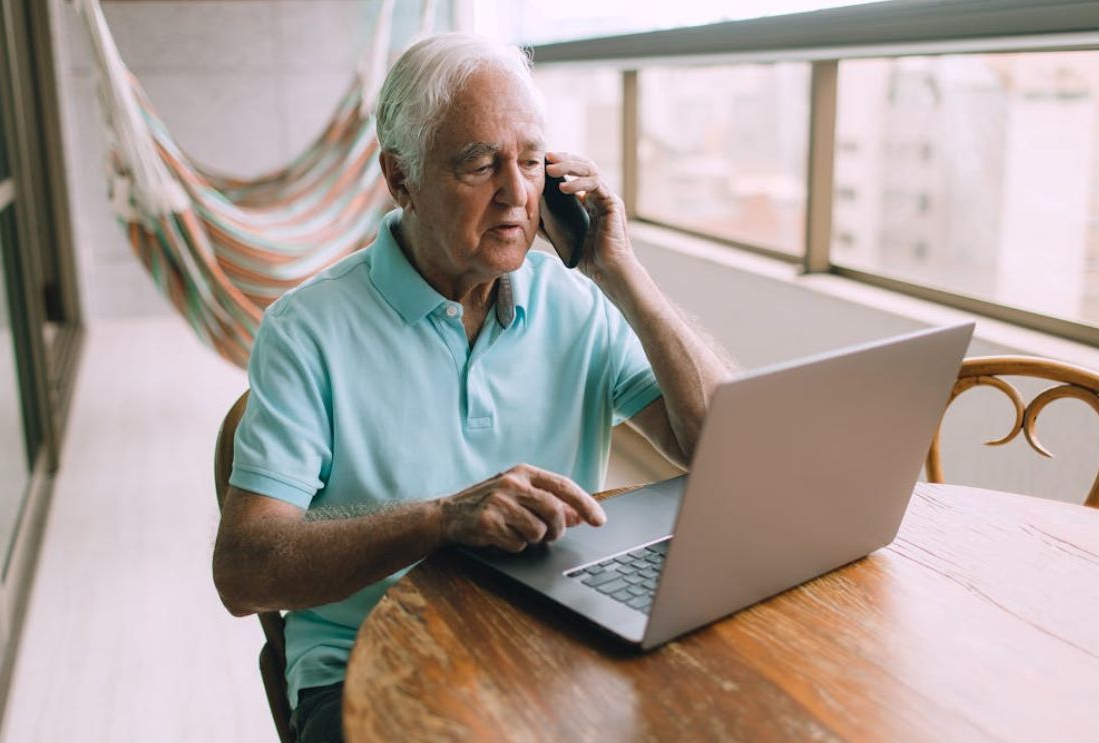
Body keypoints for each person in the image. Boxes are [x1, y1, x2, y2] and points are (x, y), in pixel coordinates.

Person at [212, 32, 732, 743]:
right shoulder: (305, 331)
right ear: (401, 179)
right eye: (480, 165)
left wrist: (622, 275)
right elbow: (245, 571)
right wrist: (441, 521)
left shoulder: (578, 301)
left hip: (550, 635)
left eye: (530, 161)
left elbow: (725, 451)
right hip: (367, 665)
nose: (516, 194)